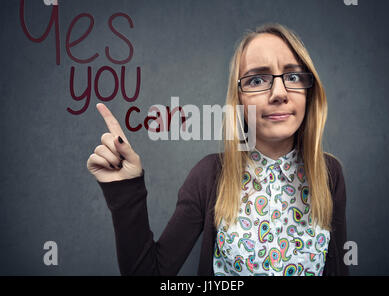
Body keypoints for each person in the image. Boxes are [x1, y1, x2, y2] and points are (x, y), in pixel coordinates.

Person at [86, 23, 349, 276]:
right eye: (257, 80)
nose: (279, 93)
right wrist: (125, 189)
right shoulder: (210, 175)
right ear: (240, 101)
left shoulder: (329, 174)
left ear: (308, 90)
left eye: (292, 76)